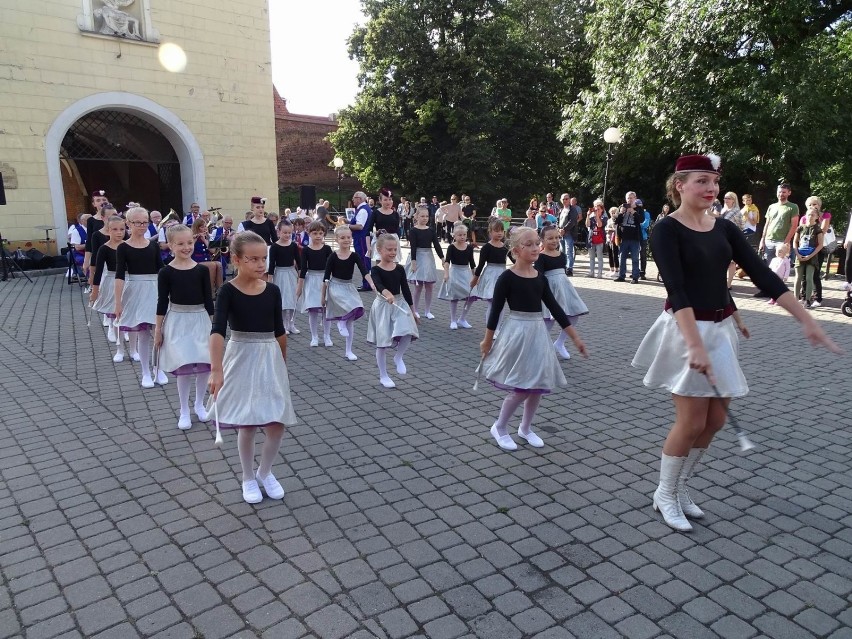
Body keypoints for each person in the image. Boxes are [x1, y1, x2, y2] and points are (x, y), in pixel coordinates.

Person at [632, 154, 840, 533]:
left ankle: (680, 488)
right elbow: (677, 290)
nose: (711, 189)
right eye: (702, 181)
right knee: (692, 420)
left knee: (714, 420)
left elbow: (763, 275)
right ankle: (664, 493)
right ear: (680, 184)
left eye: (714, 182)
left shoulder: (725, 229)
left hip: (719, 329)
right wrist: (693, 344)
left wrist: (807, 320)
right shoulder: (666, 229)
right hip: (685, 331)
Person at [479, 226, 588, 451]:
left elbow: (556, 309)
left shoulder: (539, 277)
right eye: (528, 244)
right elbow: (495, 311)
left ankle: (525, 428)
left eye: (536, 243)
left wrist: (575, 338)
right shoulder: (506, 278)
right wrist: (487, 340)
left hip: (538, 333)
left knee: (537, 384)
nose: (535, 247)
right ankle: (499, 427)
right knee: (520, 387)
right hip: (517, 333)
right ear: (516, 250)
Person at [208, 231, 296, 504]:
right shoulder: (227, 291)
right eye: (253, 259)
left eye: (264, 259)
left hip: (269, 356)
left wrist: (282, 362)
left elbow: (279, 331)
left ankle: (264, 472)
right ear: (236, 260)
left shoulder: (272, 290)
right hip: (241, 356)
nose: (261, 264)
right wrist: (216, 368)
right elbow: (217, 330)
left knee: (276, 423)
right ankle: (247, 477)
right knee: (247, 424)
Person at [154, 224, 215, 430]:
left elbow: (209, 299)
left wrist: (215, 327)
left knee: (204, 361)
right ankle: (184, 409)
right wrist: (158, 329)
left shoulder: (201, 270)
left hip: (200, 319)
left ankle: (199, 403)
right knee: (185, 365)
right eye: (180, 244)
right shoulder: (166, 272)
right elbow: (162, 302)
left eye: (189, 242)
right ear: (170, 245)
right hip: (178, 320)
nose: (186, 247)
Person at [114, 207, 167, 389]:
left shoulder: (153, 245)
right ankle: (145, 371)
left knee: (159, 331)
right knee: (143, 332)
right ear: (128, 224)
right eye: (137, 222)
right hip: (136, 289)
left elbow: (161, 269)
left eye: (145, 222)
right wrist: (118, 301)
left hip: (155, 289)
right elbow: (120, 275)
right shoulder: (123, 247)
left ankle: (158, 367)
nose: (142, 226)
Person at [368, 233, 420, 388]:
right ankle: (383, 375)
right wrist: (386, 293)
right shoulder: (376, 269)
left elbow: (405, 289)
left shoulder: (399, 268)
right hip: (383, 306)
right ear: (379, 249)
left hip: (399, 303)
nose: (392, 252)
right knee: (382, 343)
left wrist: (413, 310)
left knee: (408, 331)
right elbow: (377, 284)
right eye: (389, 249)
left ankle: (398, 357)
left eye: (394, 249)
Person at [536, 225, 589, 359]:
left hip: (564, 289)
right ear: (542, 240)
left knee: (573, 315)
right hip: (549, 290)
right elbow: (539, 276)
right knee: (549, 321)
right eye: (550, 238)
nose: (554, 241)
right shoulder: (540, 257)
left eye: (556, 237)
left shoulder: (562, 256)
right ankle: (539, 348)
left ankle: (559, 343)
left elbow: (562, 274)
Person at [322, 225, 374, 361]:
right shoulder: (333, 256)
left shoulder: (354, 255)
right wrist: (323, 296)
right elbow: (326, 277)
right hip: (335, 287)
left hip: (348, 286)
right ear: (336, 239)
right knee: (347, 308)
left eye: (349, 237)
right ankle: (341, 322)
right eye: (343, 237)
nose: (346, 240)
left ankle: (348, 350)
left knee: (356, 307)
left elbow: (364, 271)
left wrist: (373, 284)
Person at [89, 216, 127, 354]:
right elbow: (98, 271)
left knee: (126, 309)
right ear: (108, 230)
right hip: (111, 279)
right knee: (114, 308)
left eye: (122, 229)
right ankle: (115, 333)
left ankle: (125, 331)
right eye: (115, 229)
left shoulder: (128, 245)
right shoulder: (104, 249)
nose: (119, 232)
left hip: (127, 281)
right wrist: (95, 290)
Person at [755, 183, 799, 297]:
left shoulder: (793, 207)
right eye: (779, 191)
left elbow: (794, 226)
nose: (781, 194)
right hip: (769, 239)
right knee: (768, 267)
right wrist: (762, 239)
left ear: (789, 193)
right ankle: (766, 290)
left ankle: (778, 291)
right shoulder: (772, 206)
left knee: (780, 268)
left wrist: (786, 242)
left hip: (781, 241)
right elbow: (767, 224)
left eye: (784, 192)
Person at [297, 221, 334, 347]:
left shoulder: (327, 249)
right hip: (311, 280)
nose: (318, 236)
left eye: (320, 233)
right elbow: (303, 269)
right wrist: (299, 288)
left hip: (325, 280)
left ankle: (327, 335)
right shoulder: (306, 250)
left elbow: (332, 266)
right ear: (309, 233)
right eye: (315, 233)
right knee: (312, 309)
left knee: (326, 309)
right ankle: (314, 336)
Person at [404, 207, 444, 319]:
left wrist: (442, 258)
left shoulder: (431, 230)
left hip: (428, 257)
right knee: (418, 286)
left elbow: (436, 245)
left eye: (426, 216)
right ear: (416, 217)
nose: (425, 218)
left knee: (430, 285)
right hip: (418, 256)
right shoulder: (413, 230)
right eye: (422, 216)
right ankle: (415, 310)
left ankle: (427, 310)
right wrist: (413, 262)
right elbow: (413, 247)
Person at [470, 219, 513, 323]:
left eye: (501, 231)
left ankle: (497, 329)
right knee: (492, 303)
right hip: (490, 276)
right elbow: (480, 265)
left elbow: (515, 260)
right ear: (490, 232)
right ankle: (491, 329)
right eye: (496, 231)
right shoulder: (487, 248)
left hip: (502, 275)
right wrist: (475, 279)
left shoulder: (505, 246)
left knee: (501, 304)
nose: (499, 233)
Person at [439, 223, 477, 330]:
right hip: (455, 272)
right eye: (460, 235)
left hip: (466, 273)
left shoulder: (469, 247)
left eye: (464, 235)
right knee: (454, 297)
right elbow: (447, 262)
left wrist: (475, 276)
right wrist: (446, 273)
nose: (462, 237)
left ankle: (462, 318)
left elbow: (472, 263)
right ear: (454, 236)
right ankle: (453, 320)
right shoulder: (451, 247)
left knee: (471, 296)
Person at [268, 219, 300, 334]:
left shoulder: (293, 246)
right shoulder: (274, 247)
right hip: (280, 274)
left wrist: (301, 276)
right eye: (284, 232)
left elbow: (299, 262)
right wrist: (270, 279)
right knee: (282, 300)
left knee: (292, 299)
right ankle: (282, 325)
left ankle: (291, 323)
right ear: (278, 232)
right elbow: (272, 264)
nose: (287, 235)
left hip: (291, 273)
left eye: (289, 233)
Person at [793, 206, 824, 308]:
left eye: (813, 215)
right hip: (800, 255)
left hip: (812, 257)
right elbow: (795, 242)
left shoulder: (817, 229)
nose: (810, 216)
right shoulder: (800, 227)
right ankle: (795, 299)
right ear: (805, 215)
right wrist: (797, 253)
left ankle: (807, 300)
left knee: (809, 278)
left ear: (817, 217)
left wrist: (810, 255)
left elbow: (820, 245)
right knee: (798, 278)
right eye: (809, 214)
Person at [191, 218, 223, 295]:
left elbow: (213, 251)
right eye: (202, 227)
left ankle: (220, 291)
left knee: (218, 264)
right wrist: (196, 238)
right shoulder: (192, 237)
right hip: (196, 261)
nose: (205, 228)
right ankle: (210, 292)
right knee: (212, 265)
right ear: (197, 228)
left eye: (205, 226)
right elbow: (190, 250)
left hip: (206, 260)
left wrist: (205, 239)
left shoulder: (207, 237)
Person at [615, 193, 642, 283]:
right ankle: (621, 276)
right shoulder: (622, 207)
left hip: (635, 238)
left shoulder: (639, 209)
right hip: (624, 238)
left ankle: (635, 277)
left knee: (634, 258)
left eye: (631, 198)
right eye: (628, 198)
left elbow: (641, 220)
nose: (629, 200)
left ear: (635, 198)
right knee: (622, 258)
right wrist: (620, 213)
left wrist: (633, 212)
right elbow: (617, 221)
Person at [349, 191, 373, 289]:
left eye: (354, 197)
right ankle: (367, 283)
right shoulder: (363, 209)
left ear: (360, 198)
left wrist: (347, 225)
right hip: (362, 238)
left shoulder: (362, 210)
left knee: (363, 261)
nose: (353, 199)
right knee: (364, 260)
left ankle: (367, 284)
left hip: (361, 239)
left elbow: (359, 226)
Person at [83, 190, 110, 276]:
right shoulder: (91, 220)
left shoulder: (115, 218)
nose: (102, 202)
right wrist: (86, 261)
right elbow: (89, 241)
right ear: (94, 204)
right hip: (98, 255)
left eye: (104, 200)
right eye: (98, 200)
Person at [371, 188, 401, 261]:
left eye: (390, 199)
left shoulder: (395, 214)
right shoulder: (375, 213)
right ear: (380, 201)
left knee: (393, 265)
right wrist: (375, 234)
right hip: (381, 241)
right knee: (380, 263)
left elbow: (398, 230)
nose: (388, 202)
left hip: (393, 241)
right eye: (385, 200)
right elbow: (369, 230)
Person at [557, 194, 578, 275]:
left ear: (569, 199)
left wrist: (564, 229)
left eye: (566, 199)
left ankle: (569, 269)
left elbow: (572, 221)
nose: (565, 200)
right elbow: (558, 221)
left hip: (569, 233)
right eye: (563, 199)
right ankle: (563, 267)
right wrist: (559, 229)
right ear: (561, 200)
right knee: (562, 252)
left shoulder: (573, 210)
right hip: (561, 234)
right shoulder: (561, 210)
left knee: (569, 251)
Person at [586, 200, 606, 278]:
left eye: (598, 209)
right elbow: (587, 225)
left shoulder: (604, 217)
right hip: (591, 239)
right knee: (591, 257)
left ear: (602, 210)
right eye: (595, 209)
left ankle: (600, 273)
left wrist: (597, 216)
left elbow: (600, 225)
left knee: (599, 257)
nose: (596, 210)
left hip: (600, 240)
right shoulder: (591, 217)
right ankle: (591, 272)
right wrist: (588, 215)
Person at [637, 199, 651, 280]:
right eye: (637, 204)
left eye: (640, 204)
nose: (638, 206)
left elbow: (645, 224)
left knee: (642, 255)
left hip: (643, 237)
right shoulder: (633, 213)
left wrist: (638, 224)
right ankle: (635, 271)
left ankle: (642, 273)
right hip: (634, 237)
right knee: (635, 255)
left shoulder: (646, 214)